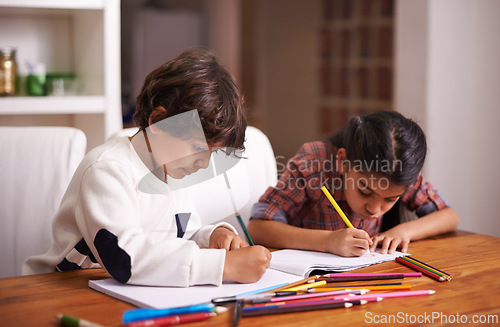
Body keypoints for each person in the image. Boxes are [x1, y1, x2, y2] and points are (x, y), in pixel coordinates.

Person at [22, 48, 271, 286]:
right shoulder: (107, 169)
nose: (203, 163)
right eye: (197, 147)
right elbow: (125, 259)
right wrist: (223, 266)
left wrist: (213, 238)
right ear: (158, 123)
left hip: (121, 290)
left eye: (212, 153)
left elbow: (181, 235)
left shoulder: (172, 169)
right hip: (59, 289)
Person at [247, 111, 459, 257]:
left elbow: (449, 216)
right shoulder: (314, 163)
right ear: (342, 161)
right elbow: (258, 228)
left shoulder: (400, 173)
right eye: (365, 191)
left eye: (390, 199)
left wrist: (403, 232)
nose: (375, 210)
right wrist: (327, 241)